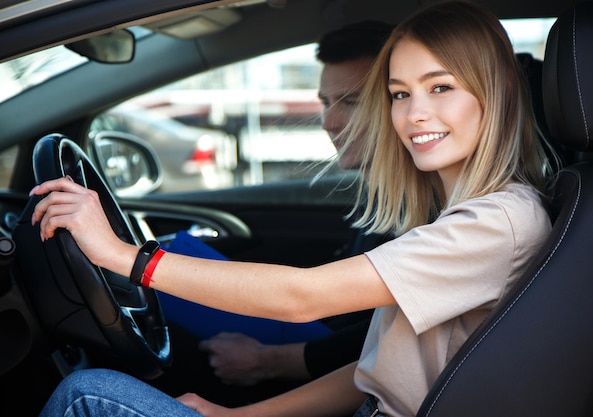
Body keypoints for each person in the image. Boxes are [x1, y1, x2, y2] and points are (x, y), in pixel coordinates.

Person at [34, 0, 554, 415]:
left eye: (440, 88)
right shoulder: (466, 215)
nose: (415, 114)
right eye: (399, 94)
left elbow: (300, 298)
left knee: (88, 395)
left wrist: (123, 256)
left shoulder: (497, 221)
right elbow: (371, 377)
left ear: (499, 92)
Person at [198, 19, 394, 389]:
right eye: (324, 102)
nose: (329, 122)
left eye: (350, 102)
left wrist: (265, 362)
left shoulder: (431, 213)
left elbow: (377, 344)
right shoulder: (382, 195)